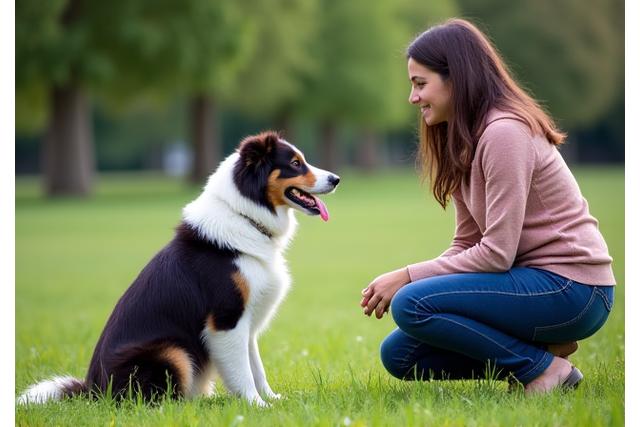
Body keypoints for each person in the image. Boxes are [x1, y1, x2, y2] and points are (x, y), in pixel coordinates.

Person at [360, 18, 615, 395]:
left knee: (412, 303)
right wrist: (426, 281)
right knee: (400, 355)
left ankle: (542, 371)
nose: (413, 98)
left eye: (420, 84)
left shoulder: (504, 133)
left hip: (573, 289)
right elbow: (467, 242)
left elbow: (496, 253)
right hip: (532, 284)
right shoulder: (466, 139)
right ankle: (543, 353)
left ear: (456, 80)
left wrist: (410, 276)